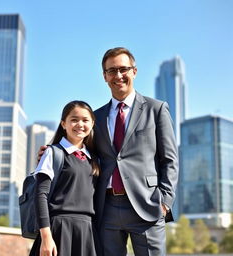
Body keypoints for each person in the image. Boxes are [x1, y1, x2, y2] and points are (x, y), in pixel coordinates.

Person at [38, 47, 178, 256]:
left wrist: (165, 201)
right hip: (106, 208)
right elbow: (80, 150)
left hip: (147, 205)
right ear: (104, 76)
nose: (118, 75)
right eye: (112, 71)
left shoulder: (156, 109)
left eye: (124, 69)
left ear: (134, 71)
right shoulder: (96, 117)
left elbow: (170, 159)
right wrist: (52, 151)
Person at [30, 100, 99, 256]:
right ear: (63, 124)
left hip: (87, 232)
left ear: (93, 123)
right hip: (59, 229)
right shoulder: (52, 153)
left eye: (85, 120)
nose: (80, 124)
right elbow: (40, 195)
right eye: (74, 119)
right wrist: (46, 237)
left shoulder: (94, 159)